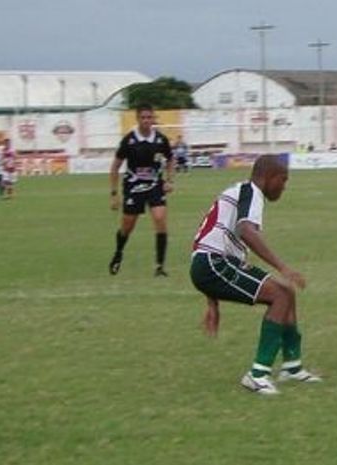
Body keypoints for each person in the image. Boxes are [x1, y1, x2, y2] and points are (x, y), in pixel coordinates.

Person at [190, 154, 321, 395]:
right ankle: (258, 374)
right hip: (213, 262)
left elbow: (208, 239)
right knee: (280, 296)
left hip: (209, 262)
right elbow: (246, 231)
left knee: (286, 292)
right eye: (283, 179)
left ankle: (292, 366)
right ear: (270, 178)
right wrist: (283, 268)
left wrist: (212, 300)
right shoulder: (252, 192)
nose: (284, 186)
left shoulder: (240, 191)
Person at [108, 104, 174, 277]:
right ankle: (118, 253)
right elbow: (115, 167)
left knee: (160, 219)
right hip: (133, 187)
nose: (146, 120)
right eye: (143, 117)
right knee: (127, 226)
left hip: (155, 186)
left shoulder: (161, 140)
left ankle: (160, 266)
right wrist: (114, 194)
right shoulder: (129, 140)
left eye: (149, 117)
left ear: (153, 118)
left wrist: (169, 180)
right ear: (137, 119)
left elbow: (170, 160)